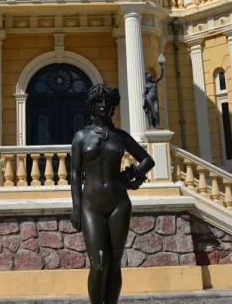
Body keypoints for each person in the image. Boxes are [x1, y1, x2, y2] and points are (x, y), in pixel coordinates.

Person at [70, 84, 154, 304]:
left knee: (115, 262)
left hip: (119, 204)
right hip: (91, 205)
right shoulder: (81, 137)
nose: (104, 106)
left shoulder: (120, 136)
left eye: (108, 103)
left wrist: (134, 173)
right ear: (92, 105)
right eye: (99, 101)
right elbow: (75, 174)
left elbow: (148, 159)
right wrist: (76, 208)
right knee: (98, 264)